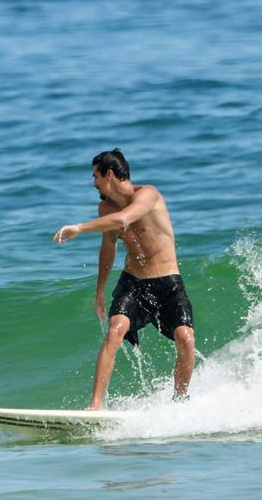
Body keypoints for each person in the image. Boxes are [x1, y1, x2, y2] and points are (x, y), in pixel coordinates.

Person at [54, 149, 196, 410]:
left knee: (186, 338)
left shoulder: (148, 195)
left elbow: (124, 218)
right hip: (133, 283)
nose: (93, 182)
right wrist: (99, 290)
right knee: (115, 331)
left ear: (109, 174)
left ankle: (180, 403)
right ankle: (95, 406)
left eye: (95, 176)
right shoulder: (105, 208)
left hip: (168, 283)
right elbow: (108, 247)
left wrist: (80, 228)